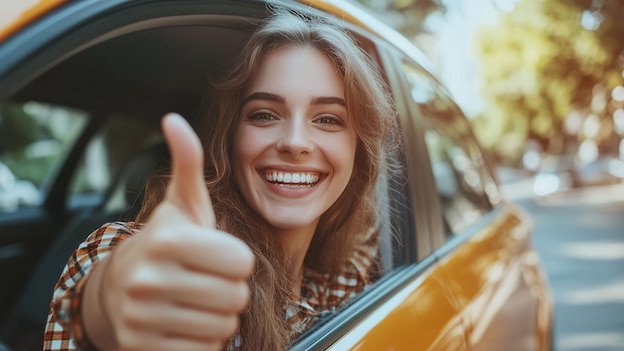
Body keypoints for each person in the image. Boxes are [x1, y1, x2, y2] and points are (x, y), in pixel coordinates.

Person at [43, 8, 398, 351]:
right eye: (263, 115)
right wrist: (109, 301)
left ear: (358, 152)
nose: (294, 142)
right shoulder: (156, 255)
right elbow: (104, 298)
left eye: (328, 119)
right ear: (229, 139)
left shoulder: (339, 281)